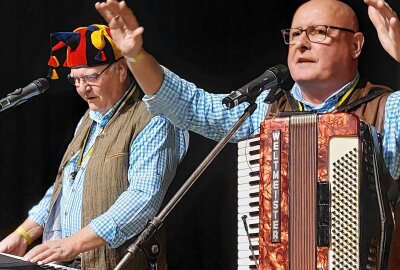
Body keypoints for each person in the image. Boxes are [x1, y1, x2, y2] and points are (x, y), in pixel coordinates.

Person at [96, 0, 400, 267]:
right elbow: (189, 105)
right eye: (294, 35)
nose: (301, 44)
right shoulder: (263, 111)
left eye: (318, 31)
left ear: (356, 45)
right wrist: (136, 57)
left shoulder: (388, 109)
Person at [0, 24, 188, 270]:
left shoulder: (153, 119)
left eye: (91, 77)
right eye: (76, 79)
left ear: (121, 70)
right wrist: (23, 235)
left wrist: (73, 244)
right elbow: (64, 187)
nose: (82, 89)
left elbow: (143, 197)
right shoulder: (88, 121)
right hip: (68, 263)